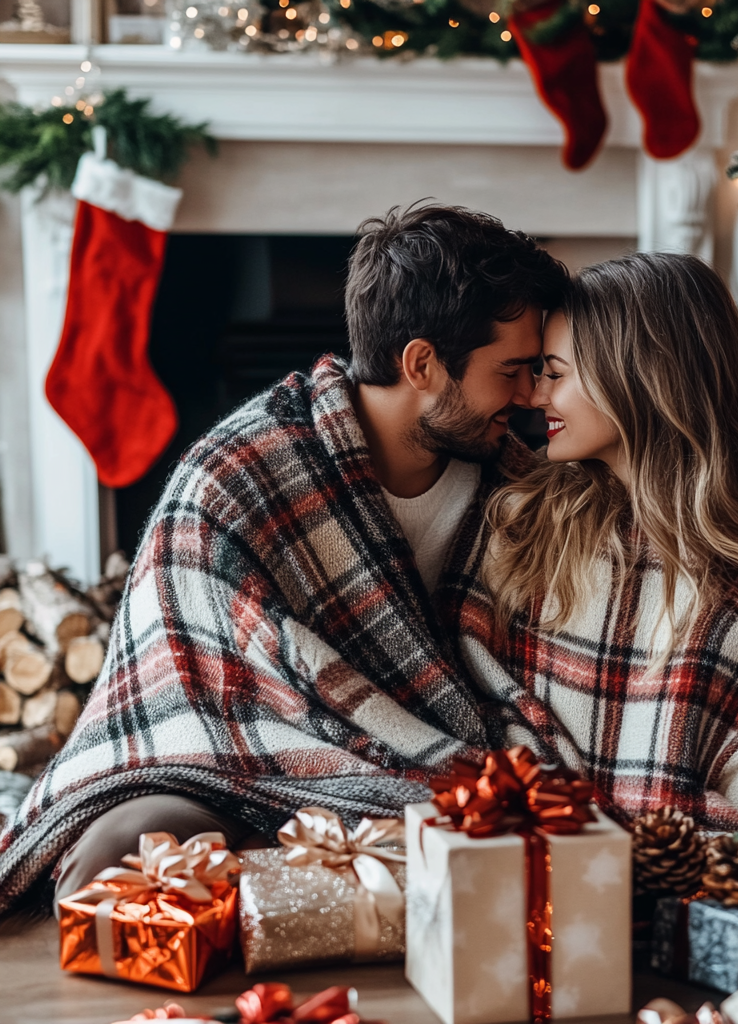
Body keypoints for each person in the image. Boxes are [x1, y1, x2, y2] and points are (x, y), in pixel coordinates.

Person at [0, 204, 567, 914]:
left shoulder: (520, 487)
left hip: (454, 765)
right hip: (249, 765)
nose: (530, 395)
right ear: (422, 363)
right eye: (512, 369)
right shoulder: (237, 476)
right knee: (121, 850)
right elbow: (173, 683)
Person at [441, 252, 738, 867]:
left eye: (554, 372)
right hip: (537, 869)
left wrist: (653, 837)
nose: (533, 396)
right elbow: (481, 703)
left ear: (633, 377)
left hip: (730, 894)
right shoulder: (529, 526)